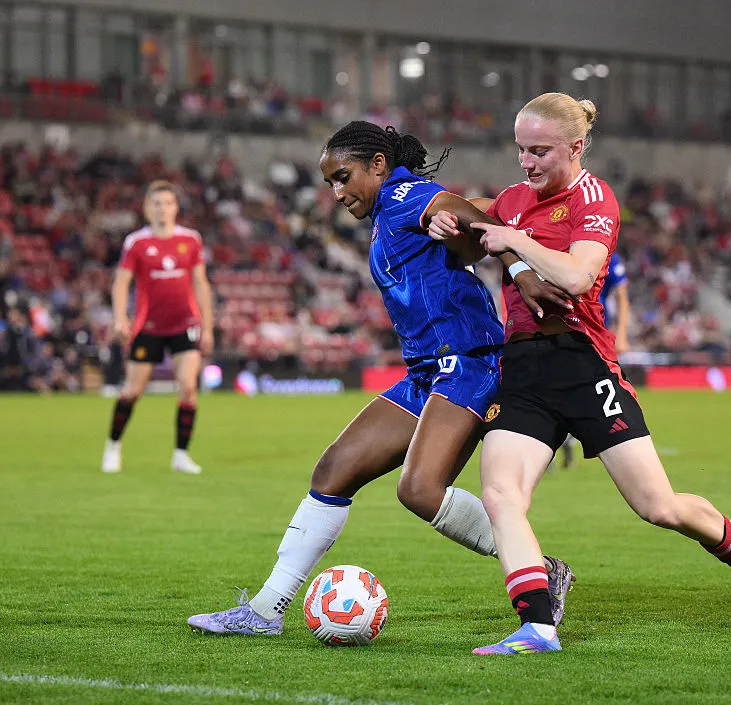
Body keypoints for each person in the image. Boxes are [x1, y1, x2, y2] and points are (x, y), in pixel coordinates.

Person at [428, 93, 731, 655]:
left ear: (575, 147)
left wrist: (514, 239)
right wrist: (450, 229)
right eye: (521, 149)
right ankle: (538, 626)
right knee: (501, 494)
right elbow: (465, 253)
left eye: (540, 151)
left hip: (582, 362)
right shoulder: (513, 199)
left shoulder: (593, 197)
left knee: (659, 507)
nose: (527, 163)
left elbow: (577, 275)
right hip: (522, 364)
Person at [188, 121, 574, 636]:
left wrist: (523, 272)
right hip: (427, 371)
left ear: (377, 165)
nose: (337, 192)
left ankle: (541, 572)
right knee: (332, 472)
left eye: (343, 176)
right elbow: (470, 213)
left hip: (468, 361)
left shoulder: (403, 194)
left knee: (418, 490)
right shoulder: (393, 208)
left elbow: (467, 216)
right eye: (329, 183)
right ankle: (264, 611)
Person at [101, 180, 214, 474]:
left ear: (176, 207)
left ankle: (180, 454)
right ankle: (113, 445)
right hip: (149, 326)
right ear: (146, 208)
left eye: (167, 203)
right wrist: (120, 317)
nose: (162, 209)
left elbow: (201, 284)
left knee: (188, 388)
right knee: (132, 391)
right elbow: (121, 282)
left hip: (185, 324)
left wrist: (208, 326)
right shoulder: (137, 242)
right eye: (156, 203)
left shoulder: (191, 240)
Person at [558, 251, 629, 468]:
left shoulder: (607, 254)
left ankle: (571, 434)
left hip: (595, 331)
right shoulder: (560, 246)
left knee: (595, 387)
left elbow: (622, 295)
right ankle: (562, 434)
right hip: (562, 328)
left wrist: (623, 334)